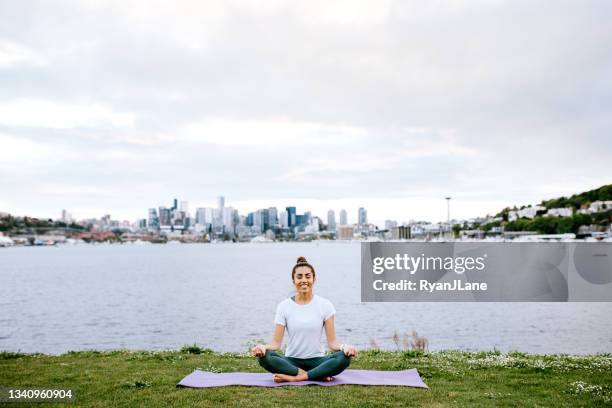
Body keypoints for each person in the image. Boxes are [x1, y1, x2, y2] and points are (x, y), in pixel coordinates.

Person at [251, 256, 358, 382]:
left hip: (318, 361)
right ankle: (316, 375)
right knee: (265, 357)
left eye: (308, 276)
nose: (304, 280)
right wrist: (262, 347)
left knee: (343, 358)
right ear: (293, 280)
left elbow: (332, 344)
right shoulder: (283, 306)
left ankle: (295, 378)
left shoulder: (325, 305)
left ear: (314, 279)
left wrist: (346, 348)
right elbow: (276, 344)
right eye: (299, 277)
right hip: (291, 362)